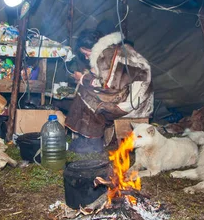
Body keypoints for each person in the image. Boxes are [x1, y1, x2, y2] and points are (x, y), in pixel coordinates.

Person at [65, 25, 153, 153]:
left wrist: (83, 78)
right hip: (138, 99)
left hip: (133, 104)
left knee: (87, 94)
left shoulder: (105, 55)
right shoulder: (115, 49)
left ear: (93, 48)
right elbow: (113, 79)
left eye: (86, 53)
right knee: (88, 89)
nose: (85, 57)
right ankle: (87, 138)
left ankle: (93, 142)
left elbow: (109, 88)